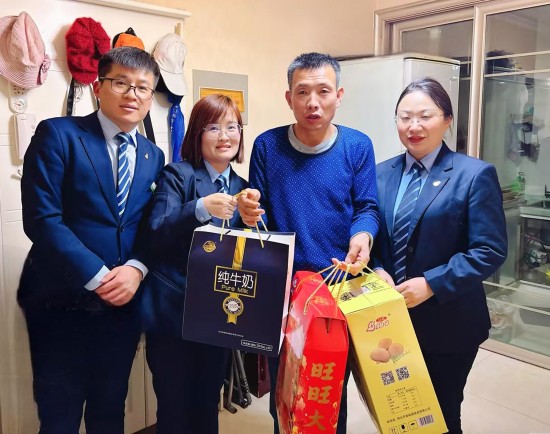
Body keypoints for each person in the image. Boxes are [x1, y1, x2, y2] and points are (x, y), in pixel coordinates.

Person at [17, 46, 165, 434]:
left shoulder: (153, 155)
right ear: (99, 88)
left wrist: (137, 269)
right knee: (59, 414)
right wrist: (99, 277)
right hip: (60, 298)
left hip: (123, 305)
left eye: (143, 88)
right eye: (121, 83)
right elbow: (42, 220)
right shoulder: (59, 134)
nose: (132, 94)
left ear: (150, 97)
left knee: (109, 409)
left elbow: (151, 225)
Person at [238, 52, 380, 434]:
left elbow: (367, 207)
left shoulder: (357, 146)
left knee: (329, 392)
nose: (312, 102)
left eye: (323, 91)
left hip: (336, 289)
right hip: (282, 292)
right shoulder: (267, 145)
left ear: (339, 95)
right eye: (302, 92)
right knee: (284, 393)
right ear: (289, 98)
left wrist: (362, 234)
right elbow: (258, 214)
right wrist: (249, 213)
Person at [371, 77, 507, 434]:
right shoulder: (380, 173)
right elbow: (373, 236)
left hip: (449, 321)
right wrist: (377, 268)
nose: (413, 126)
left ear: (447, 120)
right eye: (405, 117)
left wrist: (432, 284)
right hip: (390, 323)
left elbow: (489, 250)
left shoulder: (473, 174)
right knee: (399, 414)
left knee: (440, 416)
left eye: (425, 116)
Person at [141, 94, 247, 434]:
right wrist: (200, 207)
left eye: (232, 127)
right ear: (197, 134)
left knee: (207, 404)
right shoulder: (177, 174)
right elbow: (156, 230)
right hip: (173, 314)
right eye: (213, 127)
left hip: (218, 317)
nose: (224, 136)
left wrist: (254, 220)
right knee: (173, 408)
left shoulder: (243, 188)